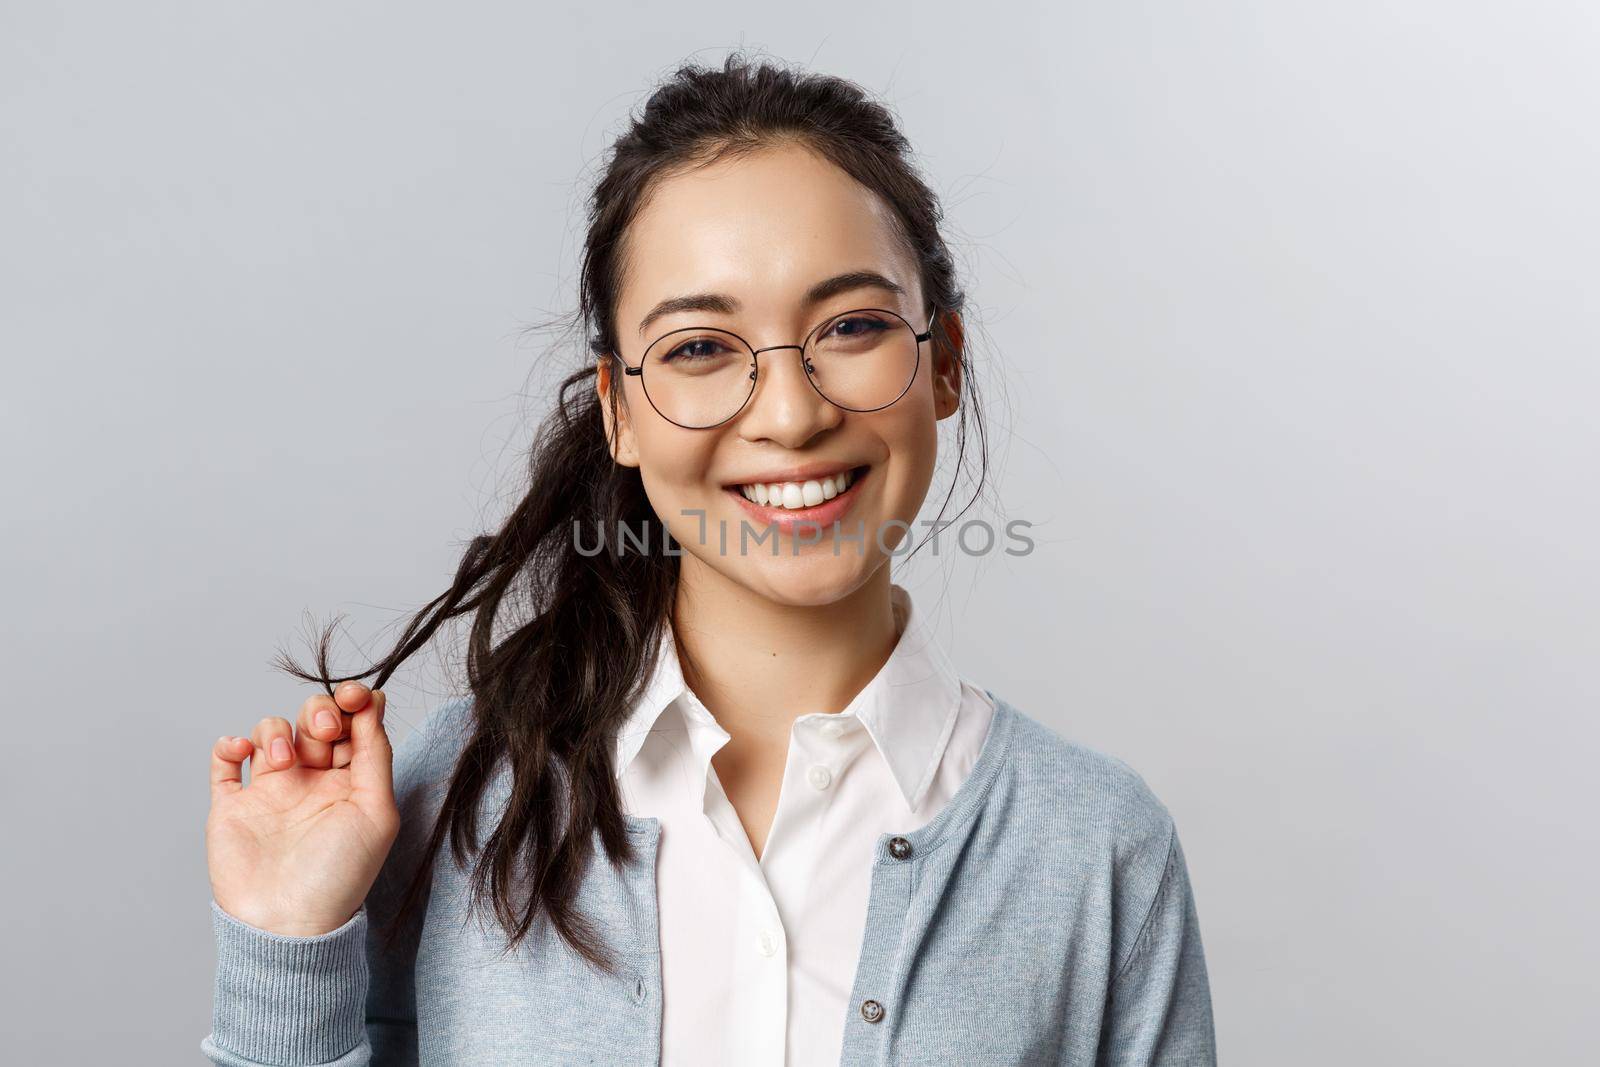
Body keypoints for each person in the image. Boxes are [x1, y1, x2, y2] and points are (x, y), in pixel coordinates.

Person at [201, 53, 1216, 1066]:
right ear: (618, 410)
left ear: (942, 360)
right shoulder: (457, 799)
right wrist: (287, 943)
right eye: (698, 346)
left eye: (852, 326)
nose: (791, 413)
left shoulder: (1095, 846)